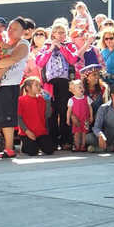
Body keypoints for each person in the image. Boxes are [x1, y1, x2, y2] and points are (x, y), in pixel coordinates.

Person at [0, 17, 30, 158]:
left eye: (15, 29)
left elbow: (12, 59)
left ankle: (9, 149)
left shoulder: (23, 44)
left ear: (23, 31)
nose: (11, 31)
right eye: (10, 28)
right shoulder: (3, 41)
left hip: (8, 86)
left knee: (6, 119)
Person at [35, 20, 79, 150]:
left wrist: (62, 47)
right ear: (53, 34)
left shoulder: (70, 45)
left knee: (65, 111)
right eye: (58, 32)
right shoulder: (46, 46)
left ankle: (66, 140)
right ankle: (53, 141)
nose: (60, 35)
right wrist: (51, 49)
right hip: (50, 84)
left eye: (63, 33)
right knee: (51, 113)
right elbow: (40, 63)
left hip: (65, 83)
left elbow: (73, 59)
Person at [18, 76, 55, 156]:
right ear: (28, 88)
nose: (39, 87)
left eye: (40, 85)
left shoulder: (42, 99)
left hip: (41, 132)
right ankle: (25, 145)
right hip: (27, 133)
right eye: (36, 85)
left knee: (50, 150)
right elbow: (19, 118)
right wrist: (27, 131)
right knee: (32, 152)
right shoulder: (21, 100)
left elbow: (48, 115)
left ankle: (37, 144)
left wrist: (48, 101)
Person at [66, 78, 93, 151]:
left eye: (82, 87)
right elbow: (69, 111)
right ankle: (77, 146)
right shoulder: (71, 100)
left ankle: (83, 146)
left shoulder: (87, 98)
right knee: (76, 133)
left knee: (84, 133)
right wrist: (68, 119)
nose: (82, 89)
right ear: (73, 91)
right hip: (76, 120)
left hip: (85, 119)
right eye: (79, 87)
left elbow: (90, 108)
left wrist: (91, 116)